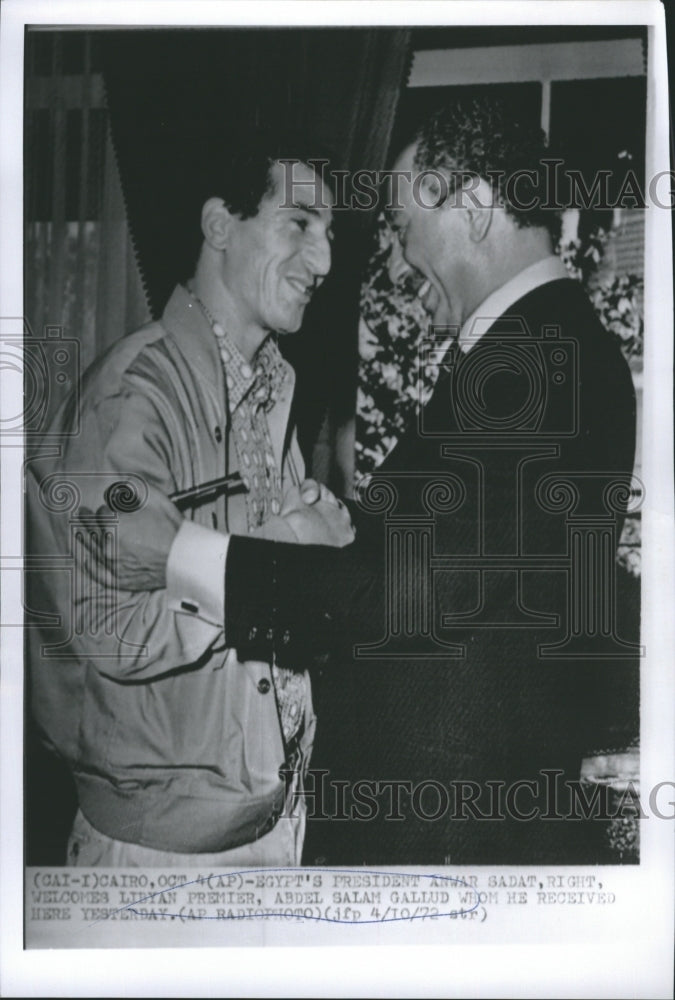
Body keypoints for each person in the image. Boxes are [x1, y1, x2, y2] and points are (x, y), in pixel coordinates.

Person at [223, 99, 639, 864]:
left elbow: (414, 598)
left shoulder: (537, 364)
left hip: (445, 830)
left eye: (400, 225)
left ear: (474, 208)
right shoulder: (538, 351)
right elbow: (466, 557)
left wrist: (185, 556)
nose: (390, 259)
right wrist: (347, 524)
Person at [26, 137, 354, 867]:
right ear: (218, 226)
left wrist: (303, 534)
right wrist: (286, 550)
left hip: (273, 826)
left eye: (329, 232)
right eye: (298, 224)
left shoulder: (273, 387)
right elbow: (109, 624)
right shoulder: (131, 395)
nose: (325, 259)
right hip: (160, 859)